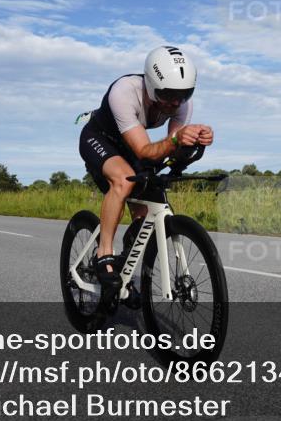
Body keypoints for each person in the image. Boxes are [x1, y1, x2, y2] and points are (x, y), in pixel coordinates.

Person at [78, 46, 213, 286]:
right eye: (168, 94)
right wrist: (175, 140)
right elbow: (144, 151)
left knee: (147, 209)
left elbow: (169, 151)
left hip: (129, 144)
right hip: (98, 139)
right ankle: (103, 255)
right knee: (123, 180)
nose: (175, 102)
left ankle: (125, 269)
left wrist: (192, 141)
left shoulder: (182, 104)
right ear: (151, 84)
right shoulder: (124, 91)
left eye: (184, 94)